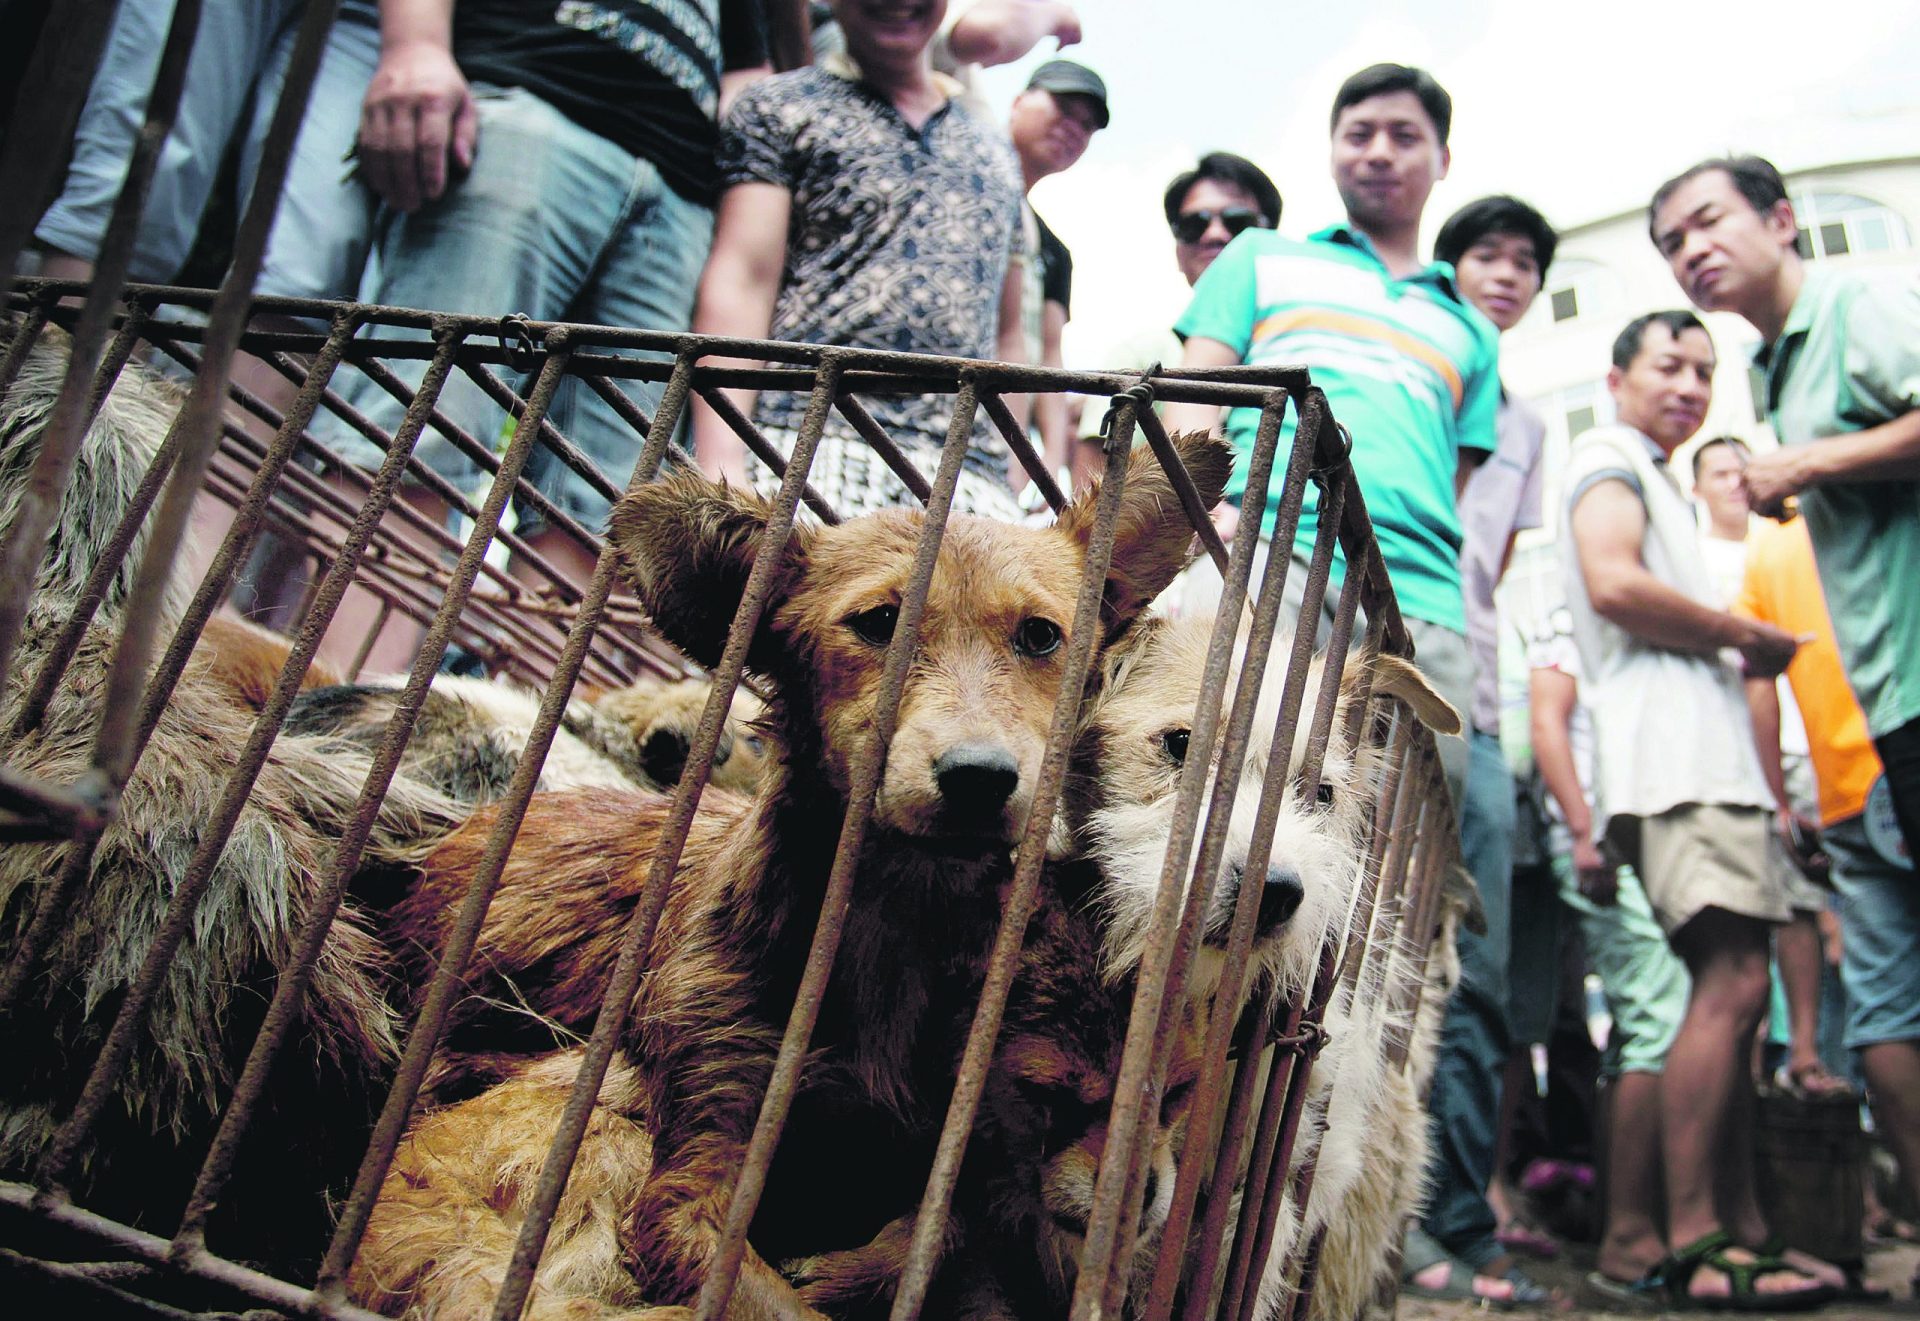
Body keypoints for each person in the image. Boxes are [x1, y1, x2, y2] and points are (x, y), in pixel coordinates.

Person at [1163, 62, 1507, 1301]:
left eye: (1402, 133)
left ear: (1437, 159)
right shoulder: (1258, 261)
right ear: (1333, 149)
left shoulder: (1466, 327)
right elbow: (1199, 399)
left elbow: (1454, 482)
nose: (1377, 149)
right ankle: (1202, 1185)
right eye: (1356, 130)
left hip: (1424, 607)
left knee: (1409, 905)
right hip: (1275, 555)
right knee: (1243, 850)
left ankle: (1362, 1206)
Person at [316, 0, 770, 672]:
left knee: (597, 503)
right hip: (535, 99)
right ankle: (325, 716)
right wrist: (415, 44)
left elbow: (745, 69)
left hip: (680, 189)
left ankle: (518, 746)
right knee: (418, 428)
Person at [1560, 309, 1833, 1308]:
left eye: (1703, 371)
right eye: (1668, 364)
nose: (1688, 383)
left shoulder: (1653, 471)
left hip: (1702, 765)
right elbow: (1612, 579)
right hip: (1677, 766)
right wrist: (1741, 634)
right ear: (1618, 373)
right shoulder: (1606, 451)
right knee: (1727, 980)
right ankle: (1694, 1238)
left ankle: (1734, 1228)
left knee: (1739, 989)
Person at [1650, 153, 1920, 859]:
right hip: (1890, 696)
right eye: (1673, 244)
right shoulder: (1777, 365)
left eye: (1708, 222)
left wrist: (1805, 463)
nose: (1692, 250)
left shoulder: (1855, 304)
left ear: (1780, 220)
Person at [691, 0, 1028, 522]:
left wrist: (1010, 470)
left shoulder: (996, 150)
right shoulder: (777, 106)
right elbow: (743, 278)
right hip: (806, 441)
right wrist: (721, 465)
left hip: (969, 472)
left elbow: (1008, 333)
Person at [1736, 514, 1920, 1268]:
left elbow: (1759, 680)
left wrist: (1780, 800)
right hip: (1896, 752)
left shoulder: (1769, 548)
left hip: (1842, 788)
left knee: (1883, 1007)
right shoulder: (1885, 497)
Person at [1433, 193, 1558, 1266]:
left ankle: (1458, 1223)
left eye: (1526, 262)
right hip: (1376, 666)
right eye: (1487, 254)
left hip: (1472, 687)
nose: (1506, 274)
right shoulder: (1406, 369)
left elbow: (1494, 570)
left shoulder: (1527, 425)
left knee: (1479, 962)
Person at [1527, 594, 1691, 1303]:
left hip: (1629, 834)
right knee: (1657, 1014)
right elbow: (1547, 720)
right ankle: (1628, 1238)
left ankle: (1633, 1226)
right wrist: (1586, 829)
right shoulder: (1573, 607)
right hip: (1598, 838)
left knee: (1644, 1020)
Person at [1692, 434, 1846, 1101]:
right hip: (1726, 748)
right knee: (1747, 904)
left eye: (1741, 468)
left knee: (1810, 905)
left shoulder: (1798, 543)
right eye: (1717, 471)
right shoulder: (1693, 562)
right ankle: (1752, 1057)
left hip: (1810, 739)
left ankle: (1808, 1050)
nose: (1733, 480)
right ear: (1695, 487)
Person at [1072, 151, 1279, 492]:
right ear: (1178, 251)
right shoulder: (1142, 353)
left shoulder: (1296, 346)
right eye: (1193, 224)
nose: (1215, 235)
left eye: (1238, 222)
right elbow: (1089, 484)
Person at [1006, 59, 1107, 484]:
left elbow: (1049, 354)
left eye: (1087, 126)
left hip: (996, 434)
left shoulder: (1053, 250)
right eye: (1063, 108)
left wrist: (1046, 454)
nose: (1074, 129)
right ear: (1018, 101)